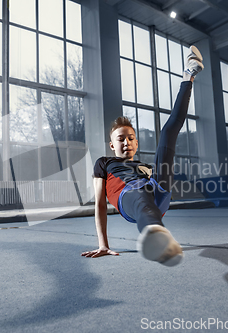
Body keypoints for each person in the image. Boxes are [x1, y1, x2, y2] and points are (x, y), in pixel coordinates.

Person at [81, 46, 204, 266]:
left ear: (136, 143)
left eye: (130, 138)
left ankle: (189, 76)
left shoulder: (145, 166)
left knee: (167, 132)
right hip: (128, 198)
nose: (126, 142)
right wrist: (103, 244)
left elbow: (156, 183)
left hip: (157, 192)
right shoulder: (104, 163)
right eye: (120, 139)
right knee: (141, 196)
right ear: (112, 145)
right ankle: (158, 237)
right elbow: (100, 203)